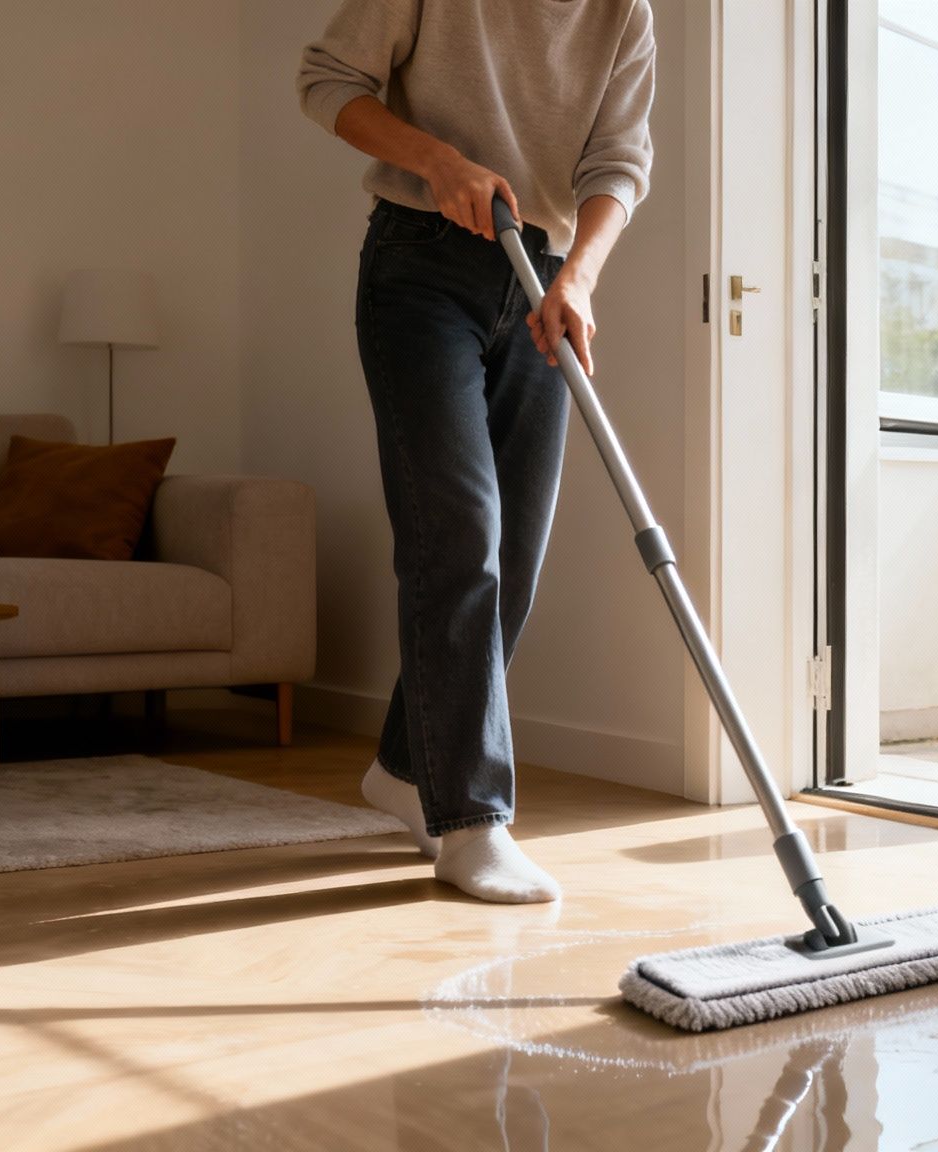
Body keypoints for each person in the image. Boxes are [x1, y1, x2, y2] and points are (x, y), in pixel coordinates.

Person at [297, 0, 654, 903]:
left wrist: (579, 274)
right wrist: (439, 160)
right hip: (420, 265)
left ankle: (403, 767)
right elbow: (326, 81)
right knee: (458, 533)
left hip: (542, 282)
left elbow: (619, 161)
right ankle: (471, 821)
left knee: (514, 557)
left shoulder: (624, 12)